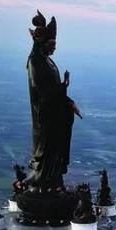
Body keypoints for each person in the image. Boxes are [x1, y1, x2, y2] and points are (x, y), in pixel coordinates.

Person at [24, 10, 83, 189]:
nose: (54, 48)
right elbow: (42, 89)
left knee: (56, 149)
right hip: (45, 114)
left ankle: (54, 179)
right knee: (47, 148)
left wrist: (69, 101)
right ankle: (41, 179)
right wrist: (64, 85)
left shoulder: (48, 62)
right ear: (42, 43)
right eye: (52, 44)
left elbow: (55, 90)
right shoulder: (35, 62)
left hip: (55, 113)